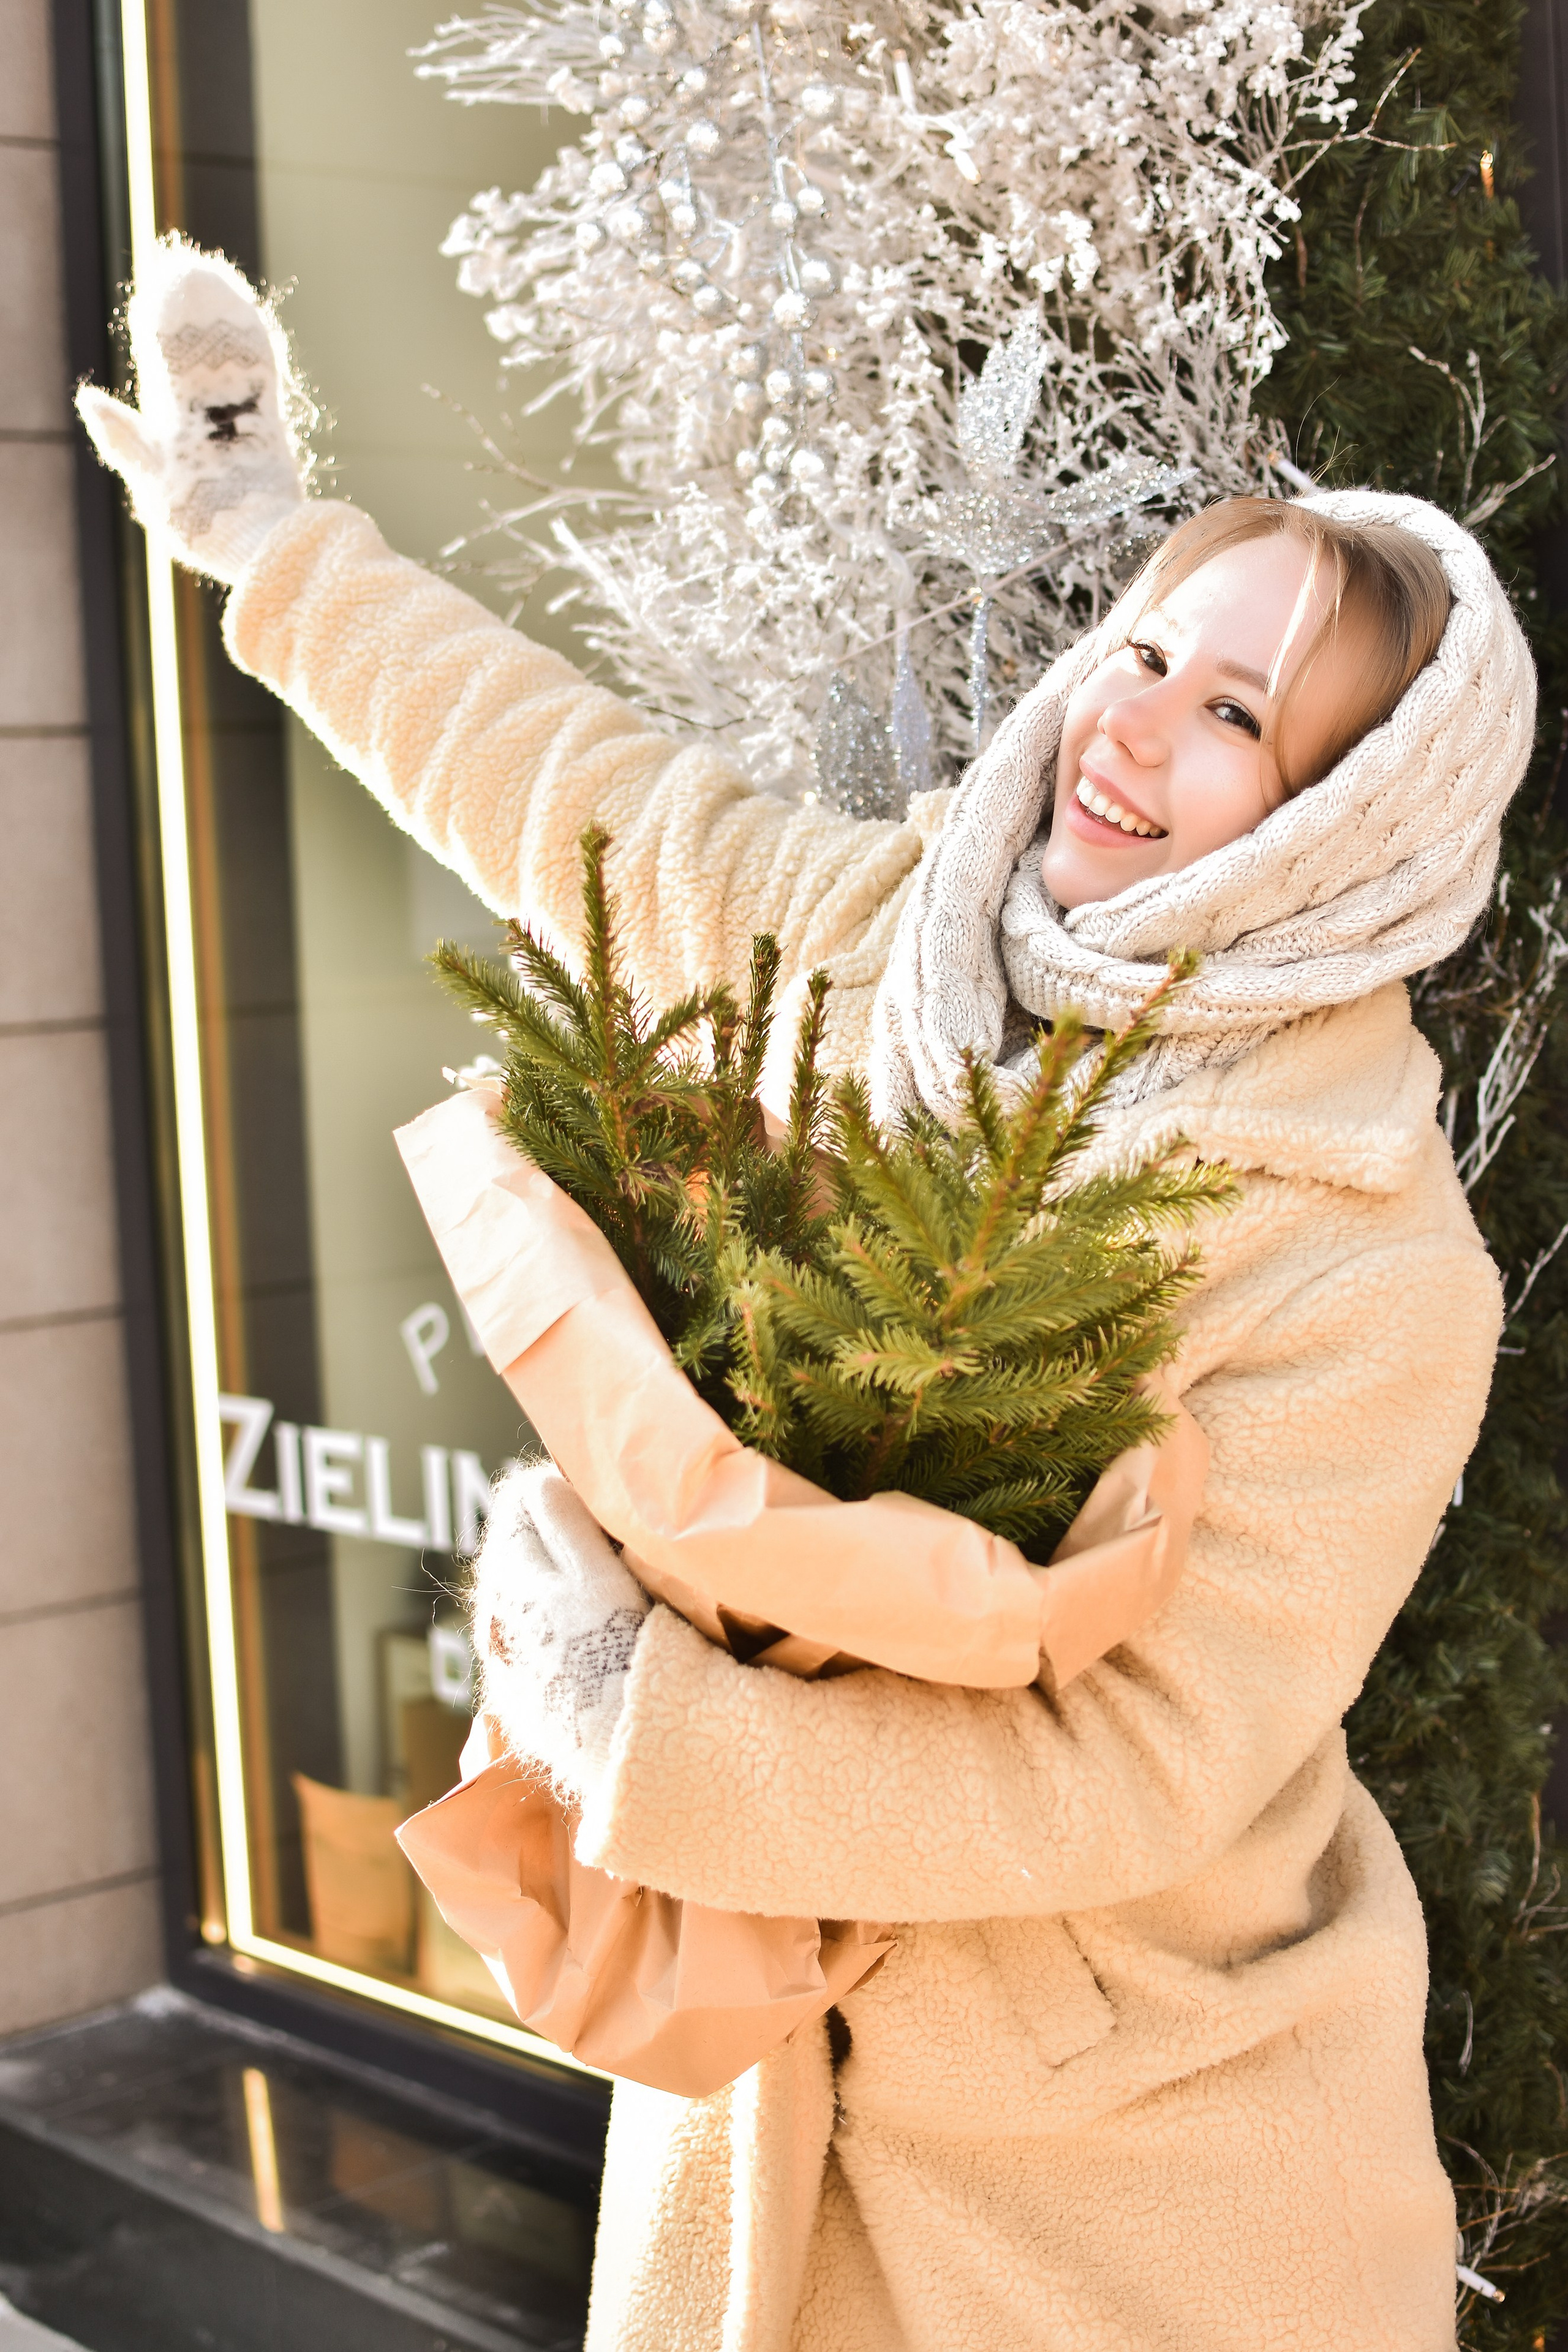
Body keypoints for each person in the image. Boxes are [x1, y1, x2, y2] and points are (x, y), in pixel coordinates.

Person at [80, 237, 1532, 2352]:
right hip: (765, 2099)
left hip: (1135, 2180)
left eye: (1237, 717)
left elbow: (1141, 1770)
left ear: (1348, 832)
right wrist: (267, 540)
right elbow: (564, 787)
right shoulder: (885, 944)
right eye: (1144, 652)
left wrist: (641, 1729)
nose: (1132, 732)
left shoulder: (1374, 1261)